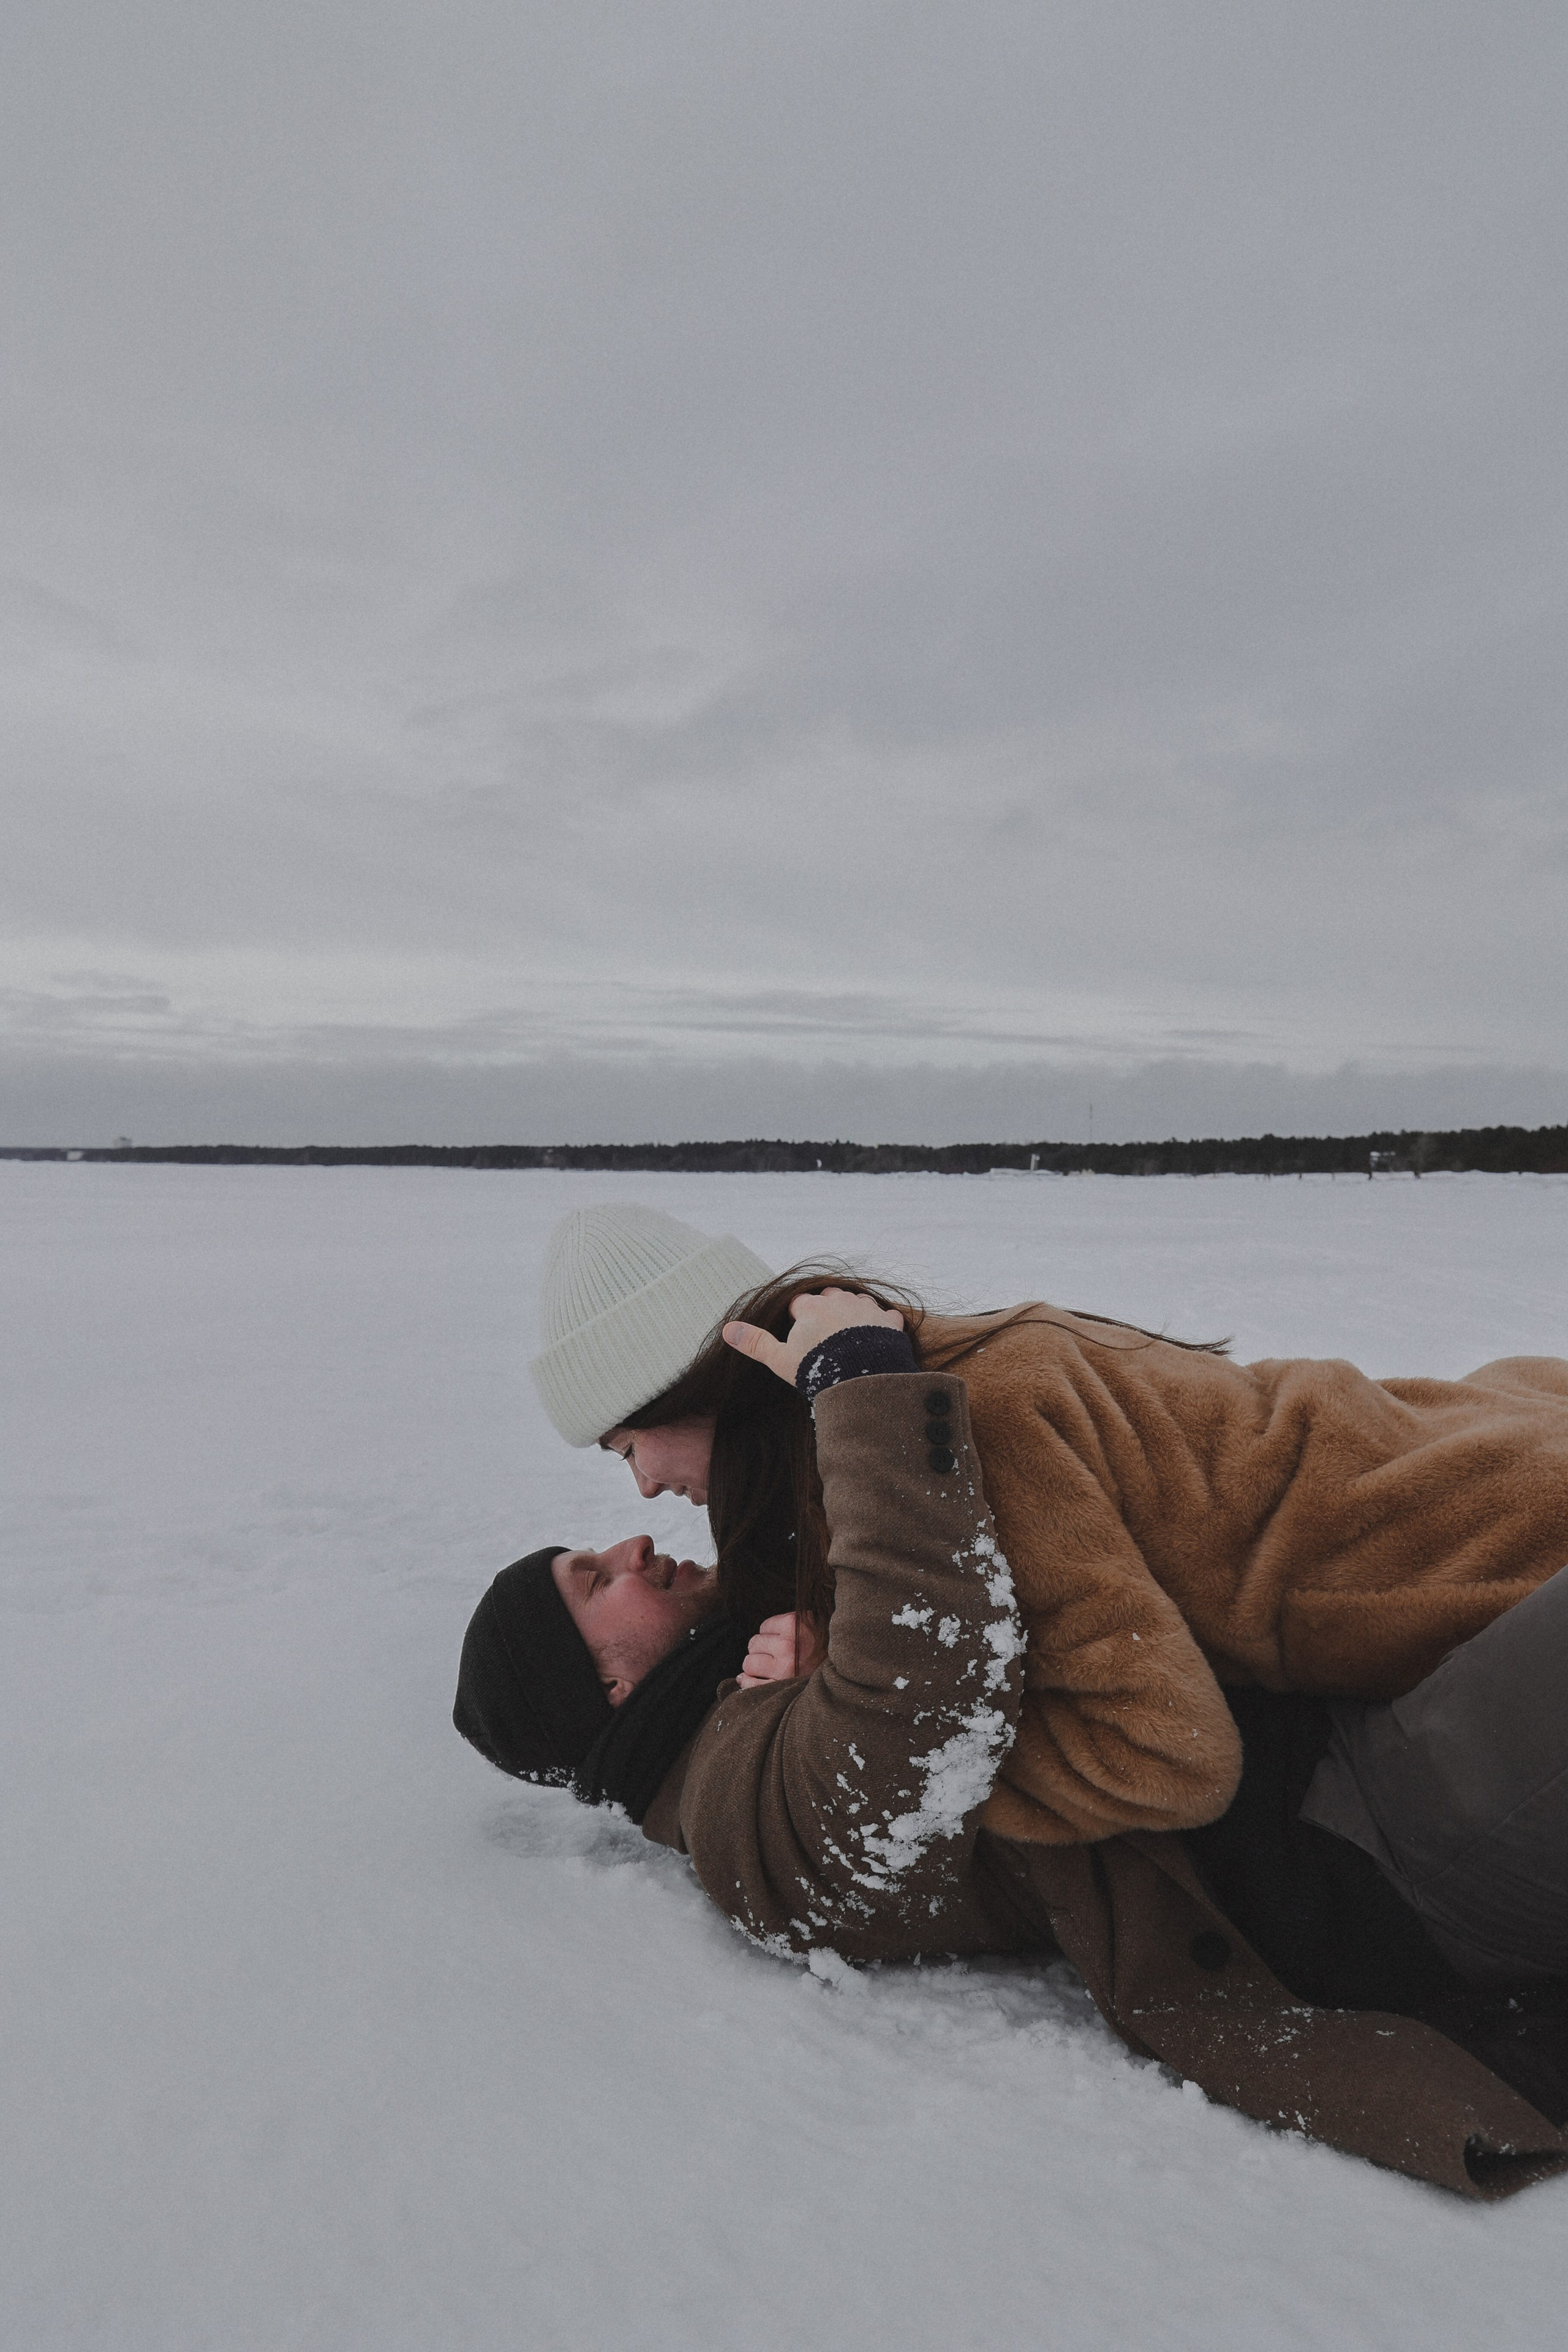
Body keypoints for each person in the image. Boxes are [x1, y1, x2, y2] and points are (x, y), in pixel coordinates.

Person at [459, 1283, 1568, 2197]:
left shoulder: (774, 1637)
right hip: (1362, 1854)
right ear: (606, 1687)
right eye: (593, 1581)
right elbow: (912, 1726)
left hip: (1366, 1722)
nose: (635, 1534)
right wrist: (872, 1401)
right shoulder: (732, 1816)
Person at [528, 1204, 1568, 1846]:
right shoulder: (923, 1371)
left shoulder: (967, 1426)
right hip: (1472, 1432)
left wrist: (881, 1720)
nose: (646, 1494)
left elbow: (1161, 1756)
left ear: (692, 1394)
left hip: (1481, 1538)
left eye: (629, 1451)